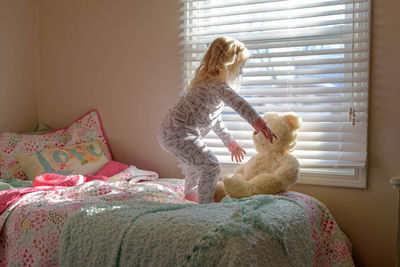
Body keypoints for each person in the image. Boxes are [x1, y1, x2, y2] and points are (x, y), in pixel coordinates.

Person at [158, 36, 277, 204]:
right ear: (228, 64)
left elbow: (215, 120)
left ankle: (190, 199)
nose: (241, 72)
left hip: (171, 132)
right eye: (240, 67)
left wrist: (231, 145)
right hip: (178, 132)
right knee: (211, 166)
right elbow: (239, 104)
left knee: (195, 165)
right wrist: (260, 124)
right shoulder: (217, 86)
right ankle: (206, 207)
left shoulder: (207, 86)